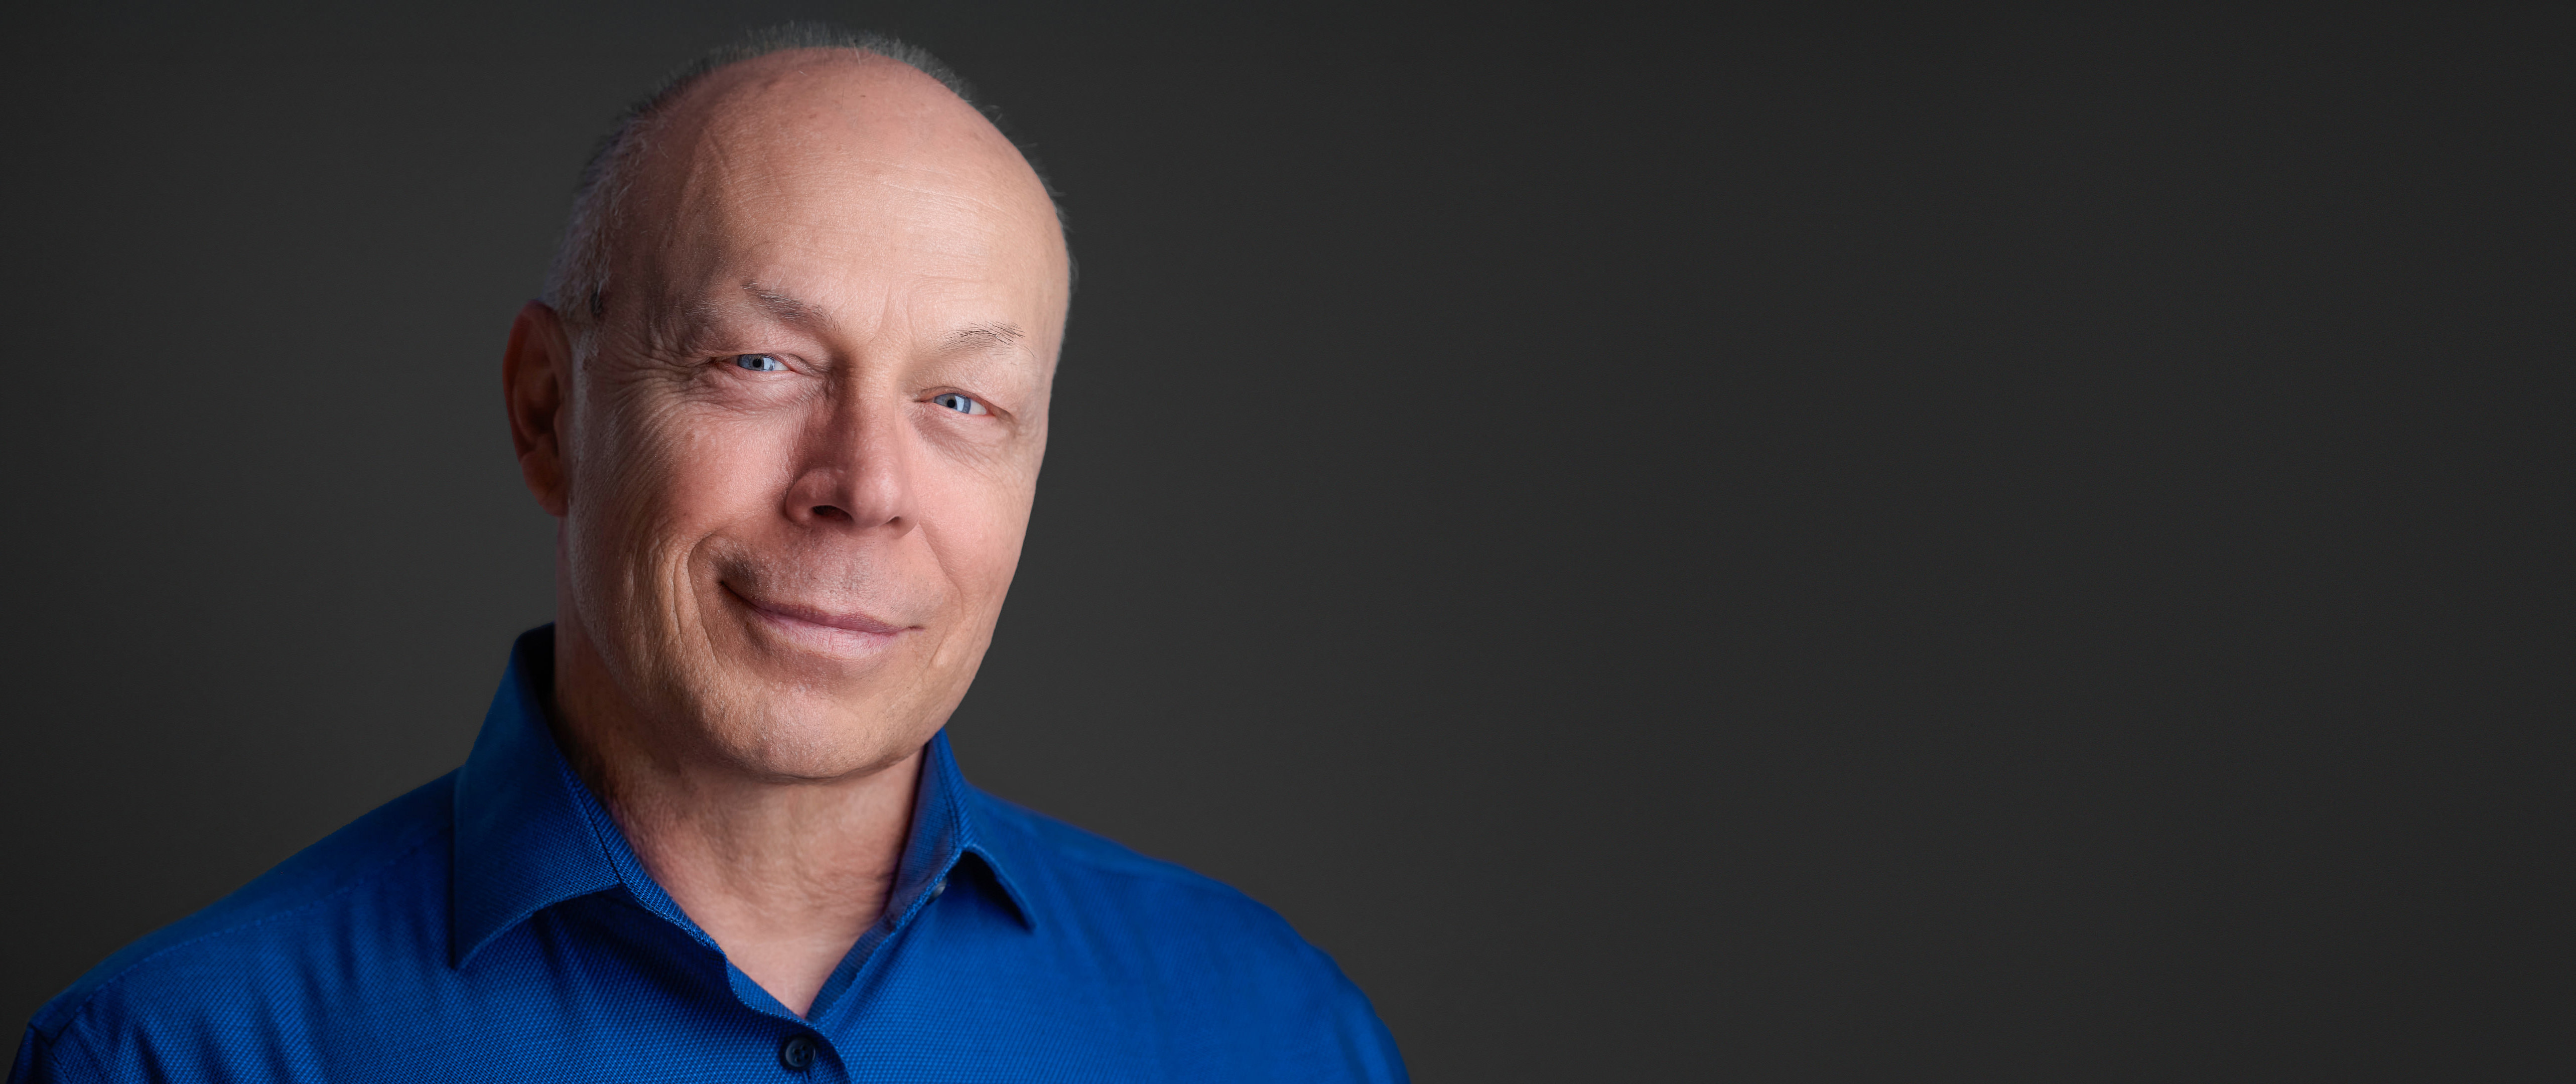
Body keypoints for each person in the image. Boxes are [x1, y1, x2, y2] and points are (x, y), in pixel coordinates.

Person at [9, 26, 1405, 1083]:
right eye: (760, 362)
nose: (865, 489)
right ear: (549, 411)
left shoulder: (1272, 1031)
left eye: (961, 401)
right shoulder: (176, 1053)